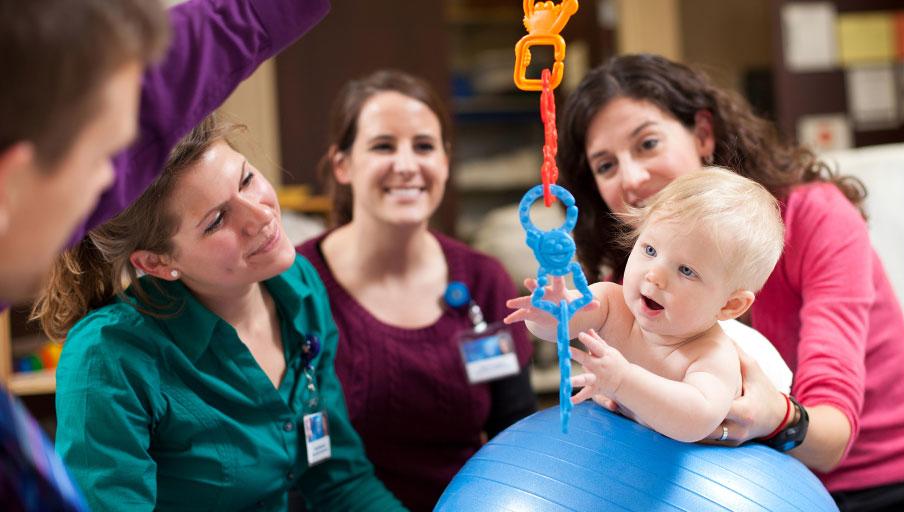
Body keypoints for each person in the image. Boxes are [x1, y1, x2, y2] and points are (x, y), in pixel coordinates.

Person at [557, 53, 904, 510]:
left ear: (703, 134)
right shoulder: (636, 271)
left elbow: (831, 439)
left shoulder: (813, 218)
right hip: (749, 493)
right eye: (605, 165)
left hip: (899, 487)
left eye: (647, 144)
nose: (631, 178)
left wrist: (773, 415)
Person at [2, 1, 325, 509]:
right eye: (95, 159)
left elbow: (220, 36)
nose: (108, 183)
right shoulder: (112, 358)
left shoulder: (298, 288)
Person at [33, 115, 406, 511]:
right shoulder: (108, 356)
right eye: (216, 220)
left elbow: (338, 479)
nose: (261, 216)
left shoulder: (298, 287)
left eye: (247, 180)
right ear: (158, 262)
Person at [295, 70, 537, 511]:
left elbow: (515, 434)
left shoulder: (483, 280)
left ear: (445, 161)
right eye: (383, 146)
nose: (406, 165)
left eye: (423, 146)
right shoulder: (297, 283)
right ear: (342, 165)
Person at [506, 168, 783, 443]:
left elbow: (695, 421)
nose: (655, 276)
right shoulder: (612, 304)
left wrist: (623, 382)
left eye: (686, 270)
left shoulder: (710, 355)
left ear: (730, 305)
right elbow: (555, 330)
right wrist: (549, 311)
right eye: (650, 250)